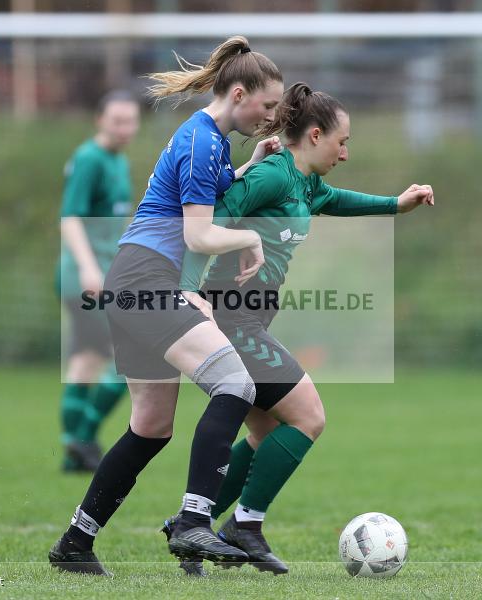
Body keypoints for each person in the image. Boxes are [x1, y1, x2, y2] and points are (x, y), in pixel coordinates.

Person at [162, 83, 435, 575]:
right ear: (314, 135)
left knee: (267, 430)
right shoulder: (272, 173)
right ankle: (243, 524)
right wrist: (189, 291)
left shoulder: (305, 183)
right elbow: (206, 222)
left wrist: (396, 204)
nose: (346, 153)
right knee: (308, 416)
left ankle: (191, 525)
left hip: (249, 319)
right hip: (230, 320)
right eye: (342, 141)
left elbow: (338, 200)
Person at [48, 36, 285, 576]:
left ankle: (75, 543)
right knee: (236, 385)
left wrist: (249, 164)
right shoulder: (202, 142)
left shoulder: (209, 141)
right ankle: (194, 521)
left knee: (151, 426)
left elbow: (207, 204)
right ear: (241, 92)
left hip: (135, 281)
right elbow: (200, 236)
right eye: (267, 107)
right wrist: (248, 241)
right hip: (145, 281)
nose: (271, 118)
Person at [57, 91, 140, 472]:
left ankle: (74, 453)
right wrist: (90, 267)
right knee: (133, 355)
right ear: (99, 120)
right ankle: (83, 437)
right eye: (116, 120)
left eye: (130, 121)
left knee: (86, 360)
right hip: (86, 277)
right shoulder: (89, 159)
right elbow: (71, 217)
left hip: (105, 274)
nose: (125, 128)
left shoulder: (118, 161)